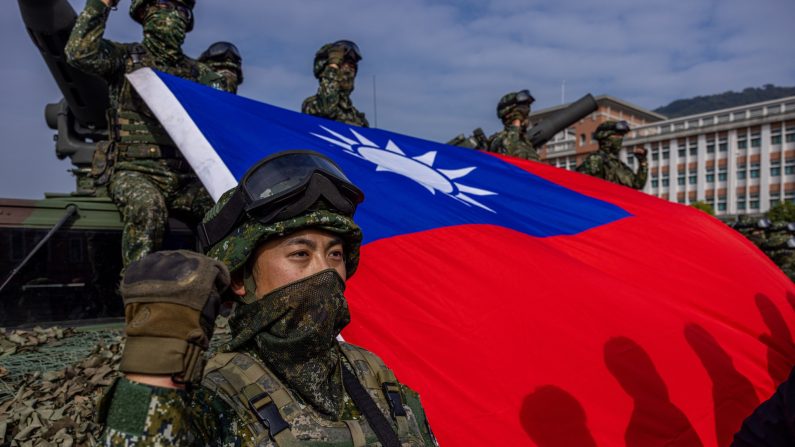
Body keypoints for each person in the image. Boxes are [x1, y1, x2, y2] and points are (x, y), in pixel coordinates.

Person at [98, 151, 438, 446]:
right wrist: (157, 357)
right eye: (301, 254)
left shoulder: (373, 373)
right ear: (239, 279)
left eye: (335, 255)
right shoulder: (213, 393)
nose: (326, 272)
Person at [65, 0, 228, 268]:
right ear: (144, 15)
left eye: (179, 11)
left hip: (184, 180)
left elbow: (226, 116)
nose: (171, 16)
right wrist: (101, 5)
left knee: (228, 207)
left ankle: (223, 292)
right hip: (134, 172)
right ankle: (138, 296)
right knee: (147, 207)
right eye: (162, 7)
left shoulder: (200, 75)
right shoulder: (125, 59)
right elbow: (79, 53)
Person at [302, 40, 369, 127]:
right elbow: (327, 110)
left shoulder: (358, 117)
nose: (349, 71)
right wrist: (333, 65)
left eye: (352, 66)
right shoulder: (311, 104)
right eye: (343, 65)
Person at [576, 120, 648, 189]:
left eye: (621, 136)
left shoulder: (618, 164)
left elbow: (638, 184)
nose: (620, 139)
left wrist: (642, 161)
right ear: (605, 138)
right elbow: (583, 185)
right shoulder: (595, 159)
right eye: (617, 136)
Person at [487, 90, 539, 161]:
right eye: (522, 113)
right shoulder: (498, 140)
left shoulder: (526, 143)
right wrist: (515, 125)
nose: (526, 118)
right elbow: (508, 159)